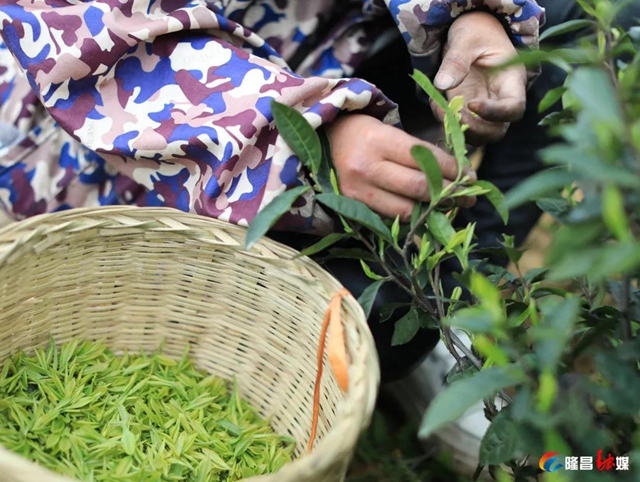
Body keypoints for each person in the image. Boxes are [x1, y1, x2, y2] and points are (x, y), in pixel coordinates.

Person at [0, 0, 544, 379]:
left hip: (335, 57)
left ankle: (460, 311)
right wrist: (309, 130)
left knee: (571, 22)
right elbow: (90, 30)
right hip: (115, 151)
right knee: (376, 319)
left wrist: (470, 13)